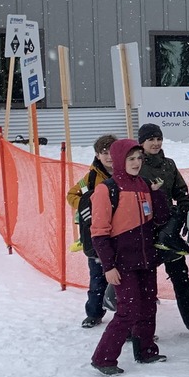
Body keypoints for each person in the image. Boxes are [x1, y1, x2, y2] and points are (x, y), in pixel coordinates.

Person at [88, 138, 169, 374]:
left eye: (138, 158)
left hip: (145, 259)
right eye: (130, 158)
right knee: (128, 310)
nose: (136, 162)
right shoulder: (107, 189)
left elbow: (161, 218)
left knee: (147, 307)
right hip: (122, 262)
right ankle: (103, 357)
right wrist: (108, 266)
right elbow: (99, 233)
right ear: (119, 160)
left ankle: (145, 351)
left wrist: (157, 194)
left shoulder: (143, 184)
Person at [135, 123, 189, 333]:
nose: (156, 143)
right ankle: (138, 328)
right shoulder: (136, 165)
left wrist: (177, 221)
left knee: (181, 278)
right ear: (141, 143)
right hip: (143, 233)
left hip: (167, 233)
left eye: (158, 139)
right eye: (150, 139)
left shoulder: (169, 165)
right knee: (143, 283)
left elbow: (182, 196)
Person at [70, 133, 117, 329]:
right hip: (97, 235)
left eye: (111, 152)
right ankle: (94, 313)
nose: (108, 157)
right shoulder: (90, 178)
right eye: (103, 153)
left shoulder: (129, 171)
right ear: (97, 155)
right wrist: (87, 208)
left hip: (121, 232)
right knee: (97, 277)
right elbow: (72, 194)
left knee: (124, 275)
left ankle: (126, 312)